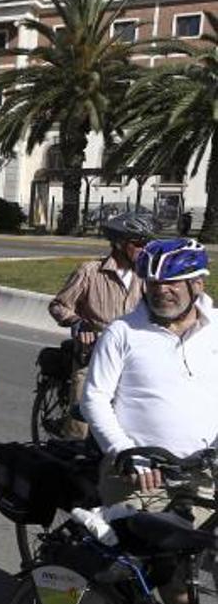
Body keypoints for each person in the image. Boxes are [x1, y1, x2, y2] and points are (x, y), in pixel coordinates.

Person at [82, 238, 218, 519]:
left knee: (195, 554)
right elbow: (94, 398)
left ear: (198, 284)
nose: (160, 290)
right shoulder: (122, 331)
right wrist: (125, 452)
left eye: (172, 282)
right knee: (133, 557)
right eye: (152, 283)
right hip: (141, 473)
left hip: (203, 473)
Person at [48, 211, 153, 439]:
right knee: (81, 423)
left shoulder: (146, 276)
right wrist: (77, 322)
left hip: (131, 359)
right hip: (92, 356)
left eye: (147, 243)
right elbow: (58, 305)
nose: (144, 248)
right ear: (119, 243)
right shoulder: (90, 272)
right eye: (138, 243)